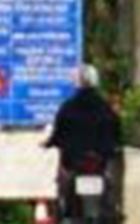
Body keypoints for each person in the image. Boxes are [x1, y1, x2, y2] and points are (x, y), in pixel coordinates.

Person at [43, 63, 123, 214]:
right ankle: (113, 207)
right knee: (111, 183)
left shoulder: (67, 107)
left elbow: (58, 133)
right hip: (100, 160)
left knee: (62, 182)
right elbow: (117, 132)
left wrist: (49, 143)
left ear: (77, 82)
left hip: (74, 160)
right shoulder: (105, 108)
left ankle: (63, 209)